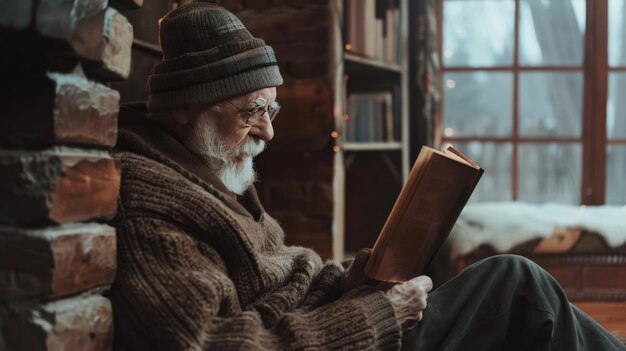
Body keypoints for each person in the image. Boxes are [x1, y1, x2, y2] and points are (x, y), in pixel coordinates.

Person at [109, 3, 625, 350]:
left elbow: (277, 284)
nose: (267, 132)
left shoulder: (208, 169)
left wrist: (345, 281)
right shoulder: (152, 206)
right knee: (516, 285)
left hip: (345, 322)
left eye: (273, 110)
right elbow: (214, 343)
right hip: (355, 339)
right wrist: (379, 314)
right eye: (253, 110)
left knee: (521, 293)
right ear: (185, 108)